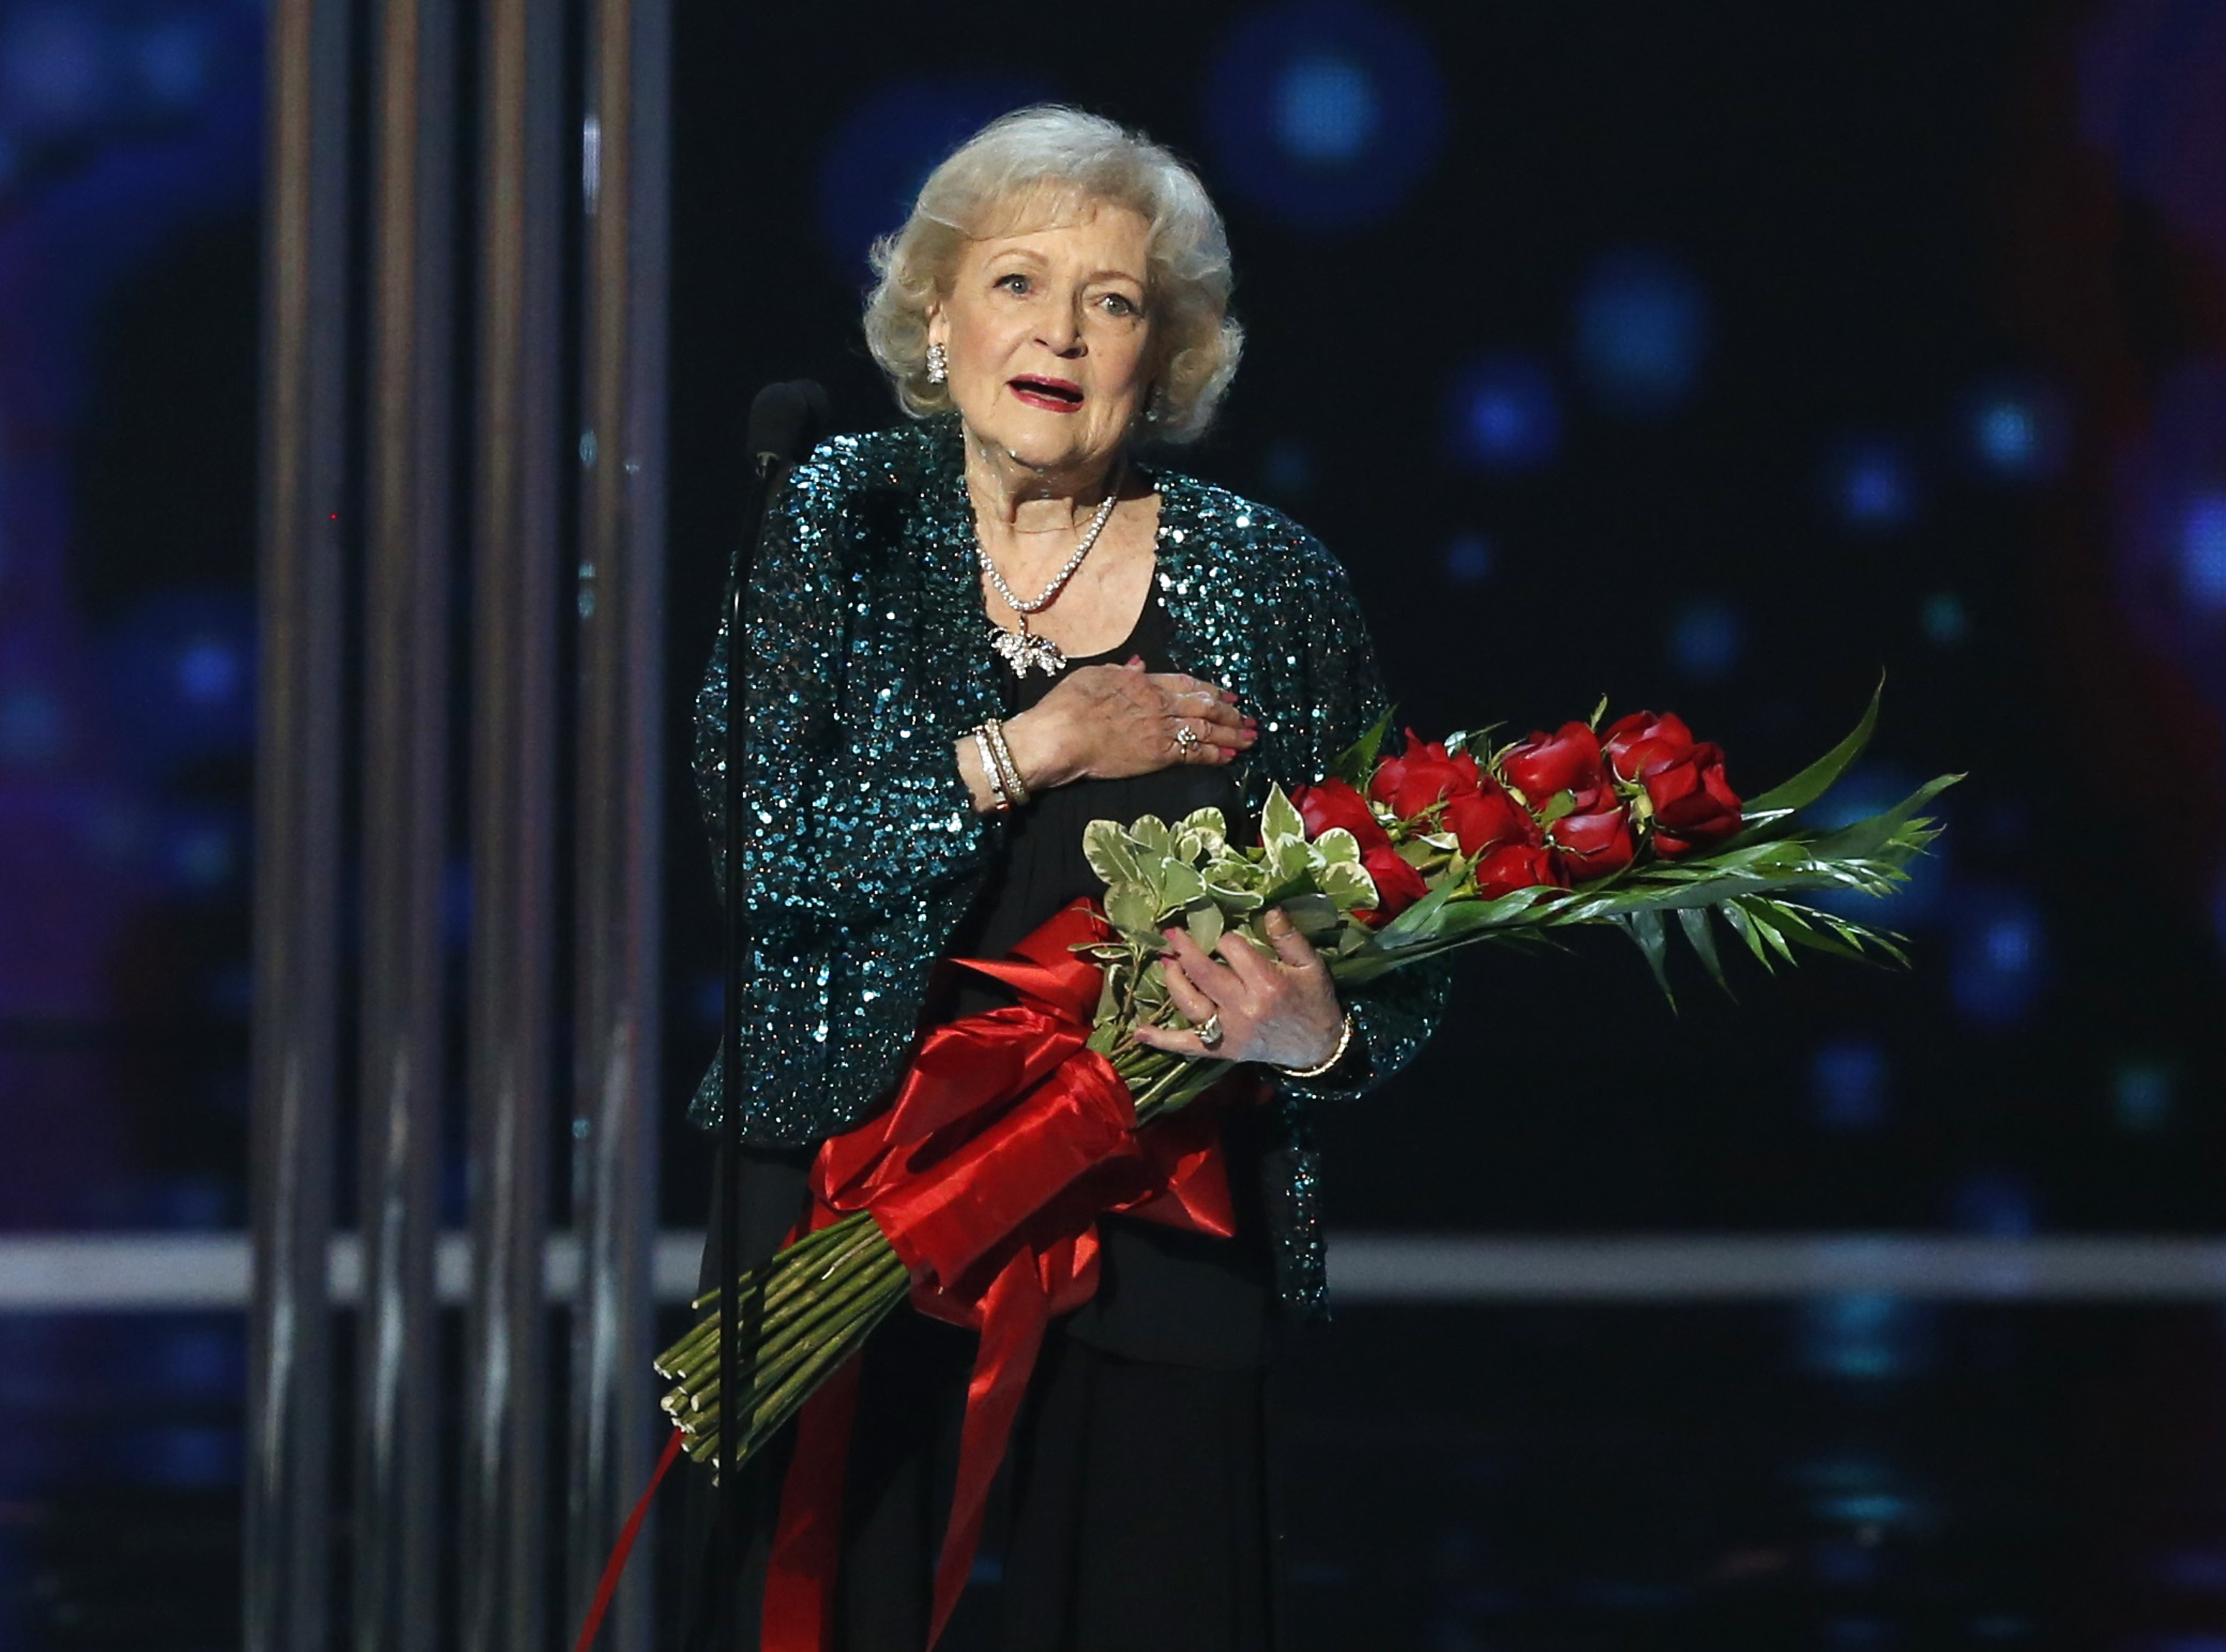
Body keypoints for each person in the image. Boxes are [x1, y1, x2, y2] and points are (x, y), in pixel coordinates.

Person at [683, 106, 1447, 1652]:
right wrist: (1027, 745)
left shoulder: (1271, 576)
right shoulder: (841, 514)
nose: (1060, 331)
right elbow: (763, 853)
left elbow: (1406, 922)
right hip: (860, 1185)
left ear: (1161, 352)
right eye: (1018, 282)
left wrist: (1324, 1036)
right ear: (937, 315)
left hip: (1160, 1201)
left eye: (1110, 300)